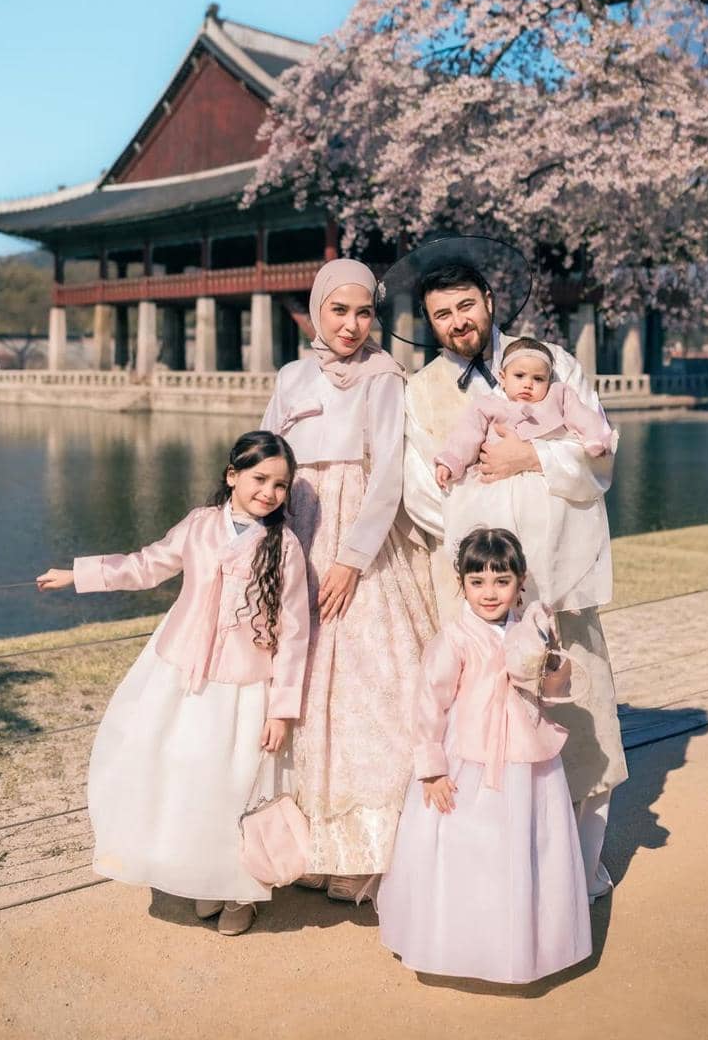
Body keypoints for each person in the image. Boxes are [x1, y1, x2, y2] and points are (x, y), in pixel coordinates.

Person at [396, 253, 627, 903]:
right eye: (442, 313)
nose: (456, 320)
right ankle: (497, 877)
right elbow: (423, 492)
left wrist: (531, 456)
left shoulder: (553, 362)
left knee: (579, 718)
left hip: (557, 570)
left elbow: (601, 449)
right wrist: (490, 571)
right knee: (488, 730)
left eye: (465, 304)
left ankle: (578, 872)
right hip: (482, 586)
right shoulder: (425, 389)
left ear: (490, 301)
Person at [36, 431, 310, 936]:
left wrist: (282, 709)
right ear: (232, 476)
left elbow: (295, 631)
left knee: (232, 785)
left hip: (244, 686)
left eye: (280, 485)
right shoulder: (200, 526)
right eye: (259, 479)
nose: (269, 492)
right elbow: (145, 565)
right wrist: (78, 574)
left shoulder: (285, 545)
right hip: (183, 676)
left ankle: (237, 891)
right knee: (187, 777)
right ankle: (200, 878)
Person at [261, 258, 435, 901]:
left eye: (365, 313)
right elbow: (264, 448)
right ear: (316, 310)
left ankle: (368, 852)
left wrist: (352, 558)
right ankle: (305, 842)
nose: (353, 325)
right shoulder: (291, 376)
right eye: (340, 310)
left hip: (358, 527)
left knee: (370, 679)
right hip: (298, 520)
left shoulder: (384, 375)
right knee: (299, 678)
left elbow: (388, 467)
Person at [378, 528, 592, 984]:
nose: (489, 592)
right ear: (462, 584)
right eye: (477, 582)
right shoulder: (454, 638)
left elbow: (550, 691)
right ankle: (459, 940)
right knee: (468, 845)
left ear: (520, 582)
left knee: (524, 843)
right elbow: (428, 706)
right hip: (469, 757)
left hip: (526, 755)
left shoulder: (531, 632)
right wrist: (433, 769)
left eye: (501, 581)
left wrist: (552, 672)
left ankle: (521, 941)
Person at [434, 335, 617, 610]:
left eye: (538, 379)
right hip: (497, 489)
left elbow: (584, 418)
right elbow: (466, 436)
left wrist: (596, 439)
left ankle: (555, 593)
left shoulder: (560, 397)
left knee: (551, 541)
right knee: (500, 538)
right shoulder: (487, 405)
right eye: (520, 376)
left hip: (544, 490)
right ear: (503, 376)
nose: (528, 384)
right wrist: (451, 461)